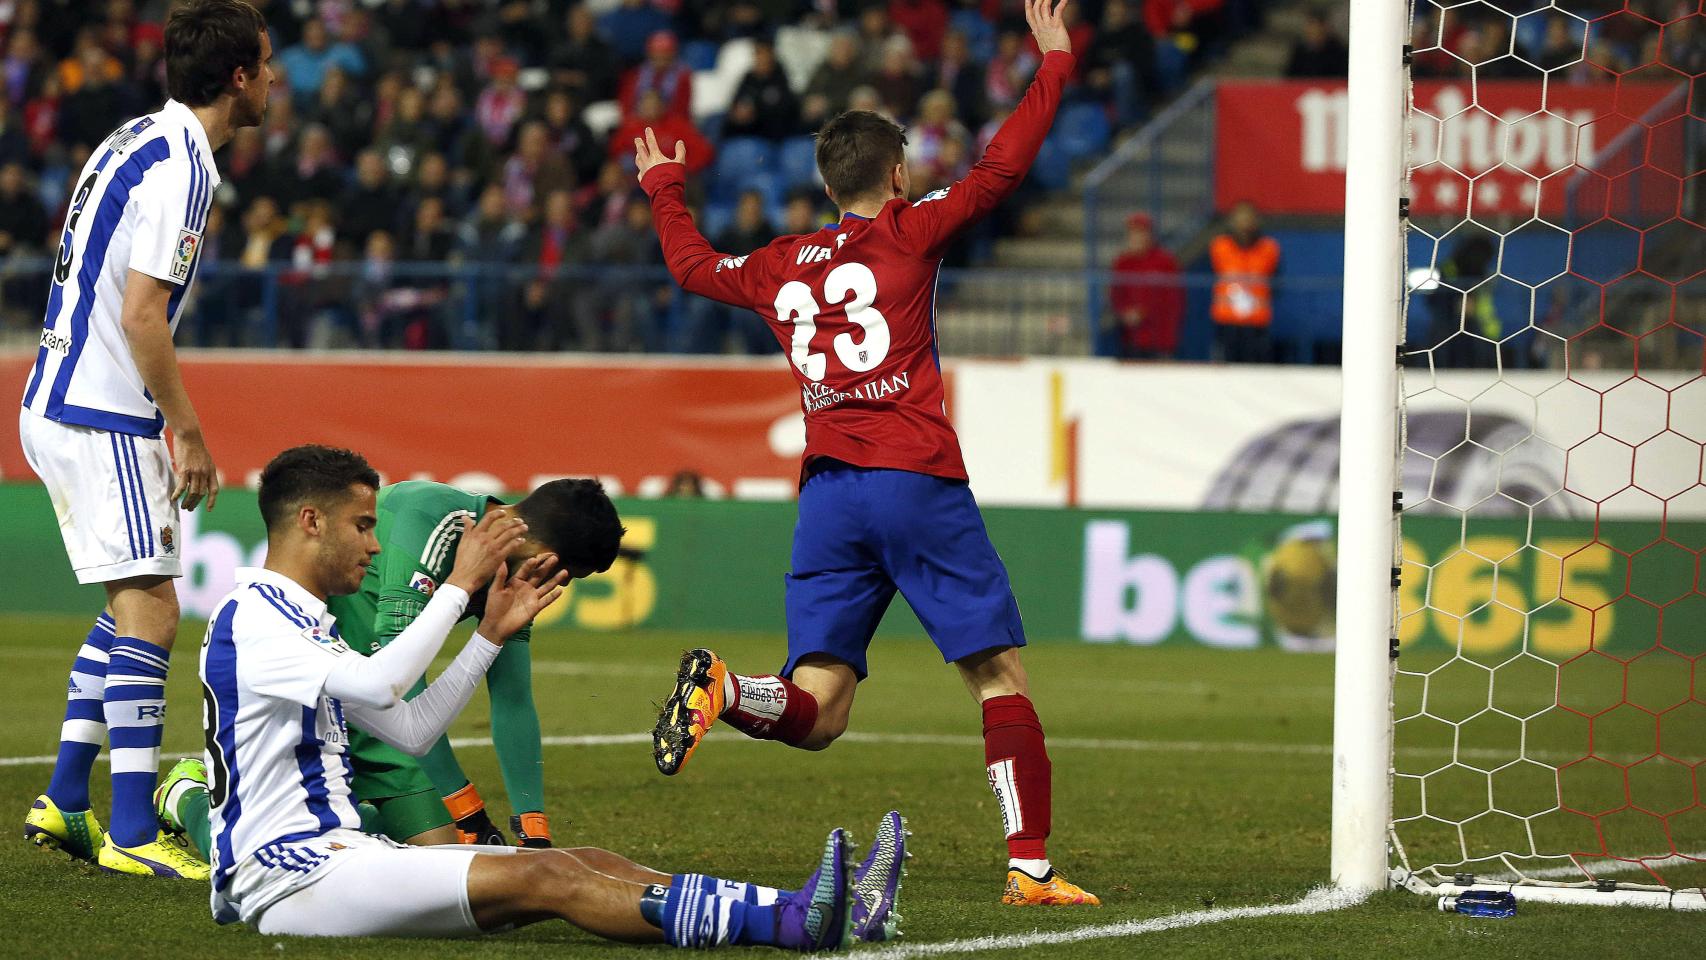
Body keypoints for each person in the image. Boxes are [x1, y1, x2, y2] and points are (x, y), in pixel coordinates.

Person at [633, 0, 1098, 908]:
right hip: (913, 478)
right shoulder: (909, 230)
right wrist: (1055, 63)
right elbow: (1000, 170)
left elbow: (694, 269)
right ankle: (1031, 867)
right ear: (896, 172)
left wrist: (664, 189)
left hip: (829, 497)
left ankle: (728, 690)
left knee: (819, 711)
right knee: (997, 675)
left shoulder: (779, 263)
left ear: (823, 178)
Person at [177, 444, 906, 946]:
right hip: (291, 874)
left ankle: (799, 906)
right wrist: (461, 584)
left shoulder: (300, 620)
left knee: (589, 859)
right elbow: (382, 682)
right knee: (550, 875)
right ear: (310, 522)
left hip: (338, 855)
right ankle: (786, 924)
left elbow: (408, 732)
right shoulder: (257, 614)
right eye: (363, 525)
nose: (374, 544)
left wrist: (487, 635)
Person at [19, 0, 273, 881]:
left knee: (127, 607)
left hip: (57, 395)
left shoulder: (134, 138)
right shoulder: (186, 167)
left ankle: (64, 799)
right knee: (157, 610)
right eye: (266, 66)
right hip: (102, 410)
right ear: (238, 76)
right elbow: (141, 313)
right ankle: (132, 829)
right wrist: (187, 430)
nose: (272, 81)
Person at [1208, 200, 1279, 363]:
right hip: (1226, 320)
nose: (1244, 222)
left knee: (1255, 369)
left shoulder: (1269, 248)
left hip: (1256, 321)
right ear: (1232, 220)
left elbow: (1275, 280)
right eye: (1240, 217)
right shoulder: (1220, 246)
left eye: (1248, 217)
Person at [1108, 211, 1183, 359]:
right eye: (1132, 233)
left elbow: (1174, 301)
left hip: (1159, 339)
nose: (1136, 237)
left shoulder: (1165, 261)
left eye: (1141, 232)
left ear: (1149, 235)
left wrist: (1169, 339)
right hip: (1130, 338)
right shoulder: (1122, 262)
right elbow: (1116, 295)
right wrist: (1125, 313)